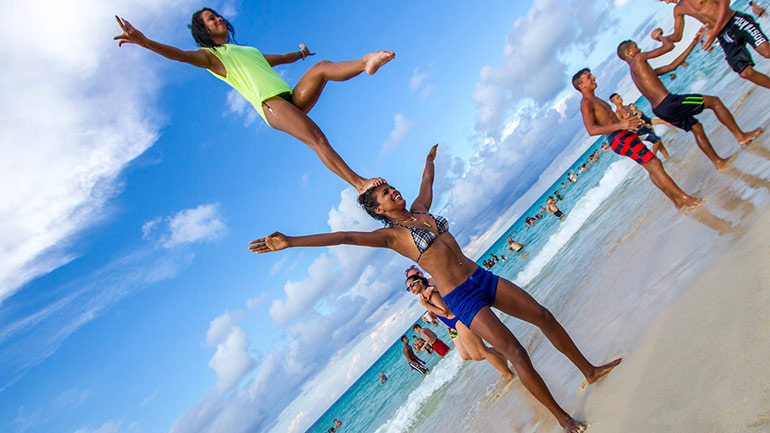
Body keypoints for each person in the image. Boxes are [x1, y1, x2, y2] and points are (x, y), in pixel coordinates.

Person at [250, 144, 620, 433]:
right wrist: (293, 241)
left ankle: (589, 370)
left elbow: (426, 182)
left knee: (543, 315)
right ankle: (562, 419)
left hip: (482, 277)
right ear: (377, 210)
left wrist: (429, 159)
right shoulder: (391, 237)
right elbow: (345, 236)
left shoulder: (421, 210)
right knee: (515, 351)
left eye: (391, 187)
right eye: (384, 193)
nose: (392, 191)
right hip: (461, 298)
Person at [113, 10, 394, 193]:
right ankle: (359, 183)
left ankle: (364, 63)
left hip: (291, 98)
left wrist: (300, 56)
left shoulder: (245, 50)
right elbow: (179, 55)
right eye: (211, 20)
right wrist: (145, 41)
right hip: (271, 105)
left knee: (320, 67)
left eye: (217, 16)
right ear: (204, 31)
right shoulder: (211, 56)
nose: (219, 19)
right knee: (316, 138)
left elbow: (278, 59)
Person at [618, 30, 762, 172]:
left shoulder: (636, 72)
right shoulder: (638, 59)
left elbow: (672, 66)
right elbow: (668, 47)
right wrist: (660, 36)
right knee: (715, 102)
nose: (640, 48)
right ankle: (741, 136)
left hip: (660, 109)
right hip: (668, 102)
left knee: (696, 127)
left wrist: (694, 42)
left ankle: (719, 163)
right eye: (635, 46)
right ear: (629, 52)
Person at [573, 67, 704, 210]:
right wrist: (620, 125)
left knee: (653, 166)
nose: (593, 77)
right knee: (654, 164)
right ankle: (685, 199)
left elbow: (608, 120)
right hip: (619, 138)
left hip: (623, 135)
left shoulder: (594, 98)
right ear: (582, 85)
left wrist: (629, 124)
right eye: (589, 77)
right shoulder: (586, 102)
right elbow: (591, 130)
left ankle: (677, 202)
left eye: (591, 75)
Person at [405, 272, 516, 382]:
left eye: (412, 285)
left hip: (458, 320)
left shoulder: (430, 293)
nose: (411, 289)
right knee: (475, 355)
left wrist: (427, 305)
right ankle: (505, 355)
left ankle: (508, 374)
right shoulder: (425, 295)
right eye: (408, 288)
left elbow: (445, 312)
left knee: (482, 351)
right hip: (454, 324)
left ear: (419, 281)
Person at [658, 0, 770, 90]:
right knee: (745, 72)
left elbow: (725, 2)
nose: (666, 2)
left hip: (735, 21)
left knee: (767, 52)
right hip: (723, 35)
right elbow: (677, 36)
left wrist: (714, 30)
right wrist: (661, 37)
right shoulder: (678, 9)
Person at [609, 93, 671, 159]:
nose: (620, 98)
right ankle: (652, 157)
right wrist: (635, 135)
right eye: (617, 98)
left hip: (643, 127)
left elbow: (636, 118)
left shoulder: (627, 107)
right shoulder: (618, 113)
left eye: (620, 96)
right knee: (657, 140)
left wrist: (645, 124)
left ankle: (669, 159)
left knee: (660, 144)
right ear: (614, 102)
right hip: (637, 132)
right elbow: (622, 128)